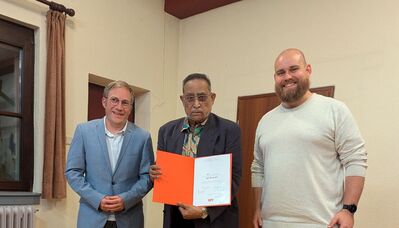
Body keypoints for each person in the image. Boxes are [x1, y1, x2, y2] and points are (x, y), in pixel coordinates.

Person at [251, 49, 368, 228]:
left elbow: (355, 159)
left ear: (308, 70)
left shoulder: (334, 110)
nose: (287, 76)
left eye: (294, 69)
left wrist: (348, 209)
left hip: (322, 222)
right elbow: (258, 168)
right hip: (271, 223)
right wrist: (257, 209)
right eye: (281, 73)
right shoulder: (265, 121)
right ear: (275, 77)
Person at [150, 73, 242, 228]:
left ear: (212, 98)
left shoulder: (229, 130)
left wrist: (205, 211)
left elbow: (234, 177)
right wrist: (155, 174)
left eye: (202, 97)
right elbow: (162, 173)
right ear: (182, 100)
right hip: (175, 216)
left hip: (213, 219)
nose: (196, 104)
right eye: (190, 98)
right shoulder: (166, 131)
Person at [65, 80, 154, 228]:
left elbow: (147, 177)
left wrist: (126, 199)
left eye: (125, 103)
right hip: (92, 218)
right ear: (104, 102)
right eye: (114, 100)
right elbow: (73, 172)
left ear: (130, 108)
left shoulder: (143, 137)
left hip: (129, 219)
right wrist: (97, 199)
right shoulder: (84, 131)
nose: (119, 107)